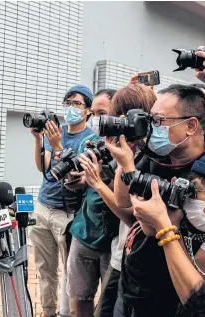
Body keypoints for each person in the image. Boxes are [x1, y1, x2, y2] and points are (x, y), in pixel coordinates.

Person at [106, 84, 205, 317]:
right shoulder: (157, 154)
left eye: (159, 120)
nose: (152, 127)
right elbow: (122, 201)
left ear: (191, 125)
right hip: (135, 278)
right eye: (151, 119)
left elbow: (152, 227)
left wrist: (132, 171)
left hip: (174, 290)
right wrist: (124, 162)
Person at [129, 148, 205, 317]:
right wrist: (172, 225)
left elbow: (202, 307)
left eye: (196, 192)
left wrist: (164, 229)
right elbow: (197, 287)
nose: (189, 199)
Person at [88, 84, 156, 317]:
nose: (118, 122)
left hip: (139, 262)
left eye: (125, 117)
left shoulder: (153, 156)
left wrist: (98, 182)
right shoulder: (131, 149)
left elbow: (129, 213)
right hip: (122, 254)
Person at [30, 85, 94, 317]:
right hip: (43, 206)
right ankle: (48, 312)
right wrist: (39, 140)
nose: (71, 108)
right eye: (68, 103)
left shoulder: (91, 140)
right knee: (44, 269)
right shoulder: (56, 132)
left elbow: (75, 176)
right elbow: (44, 167)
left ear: (88, 110)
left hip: (68, 214)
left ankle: (68, 314)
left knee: (70, 272)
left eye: (77, 103)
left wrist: (58, 146)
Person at [61, 88, 116, 317]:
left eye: (102, 112)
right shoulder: (91, 144)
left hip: (112, 238)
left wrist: (100, 180)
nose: (97, 119)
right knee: (79, 300)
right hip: (84, 232)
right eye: (94, 113)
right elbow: (84, 184)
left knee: (107, 307)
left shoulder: (131, 149)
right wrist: (75, 182)